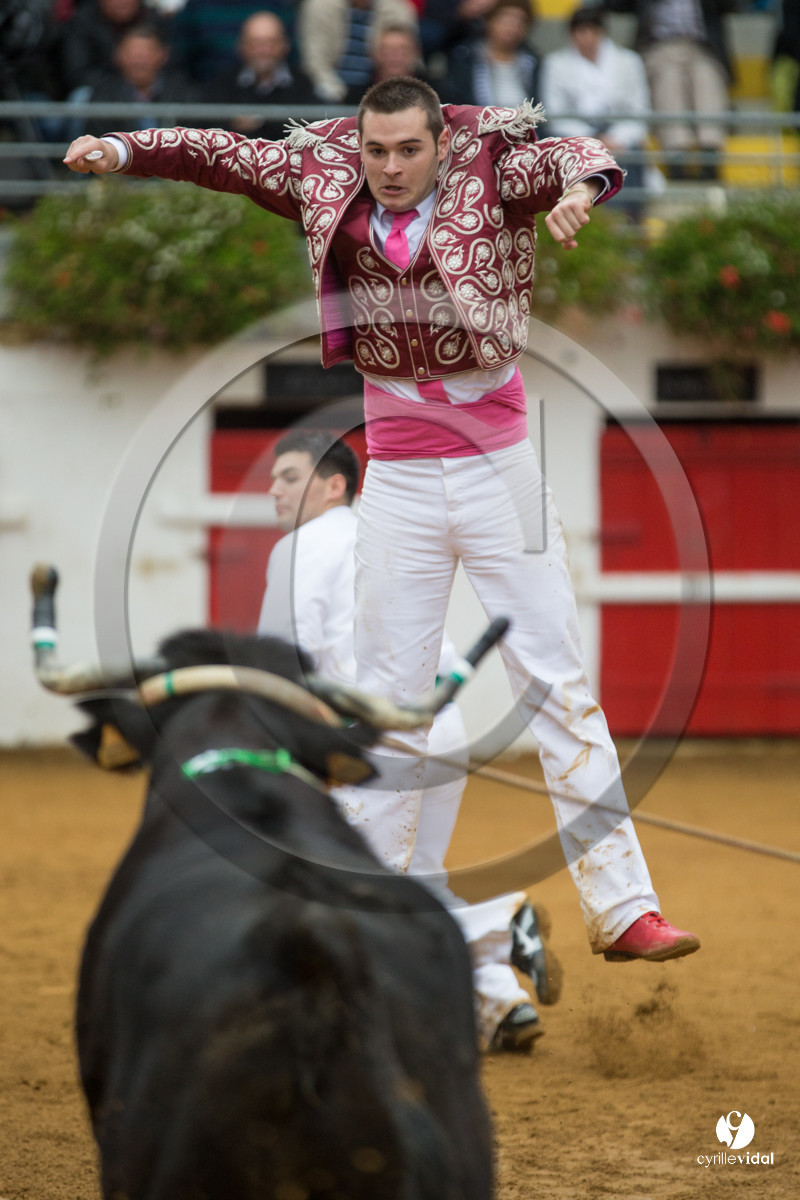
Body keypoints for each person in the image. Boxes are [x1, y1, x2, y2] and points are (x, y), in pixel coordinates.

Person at [63, 74, 701, 970]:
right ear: (357, 143)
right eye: (376, 150)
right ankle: (359, 910)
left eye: (408, 150)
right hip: (398, 479)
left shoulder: (491, 166)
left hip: (502, 473)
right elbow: (222, 155)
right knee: (390, 705)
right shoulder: (325, 170)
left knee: (557, 685)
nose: (391, 168)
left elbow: (576, 154)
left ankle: (625, 908)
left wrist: (582, 190)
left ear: (442, 143)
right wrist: (123, 148)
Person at [257, 428, 562, 1051]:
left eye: (289, 477)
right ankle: (500, 1004)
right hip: (440, 723)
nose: (274, 490)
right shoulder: (386, 534)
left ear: (334, 485)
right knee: (418, 874)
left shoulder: (300, 547)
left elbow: (283, 656)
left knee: (347, 879)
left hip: (373, 734)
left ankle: (500, 923)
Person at [606, 0, 734, 181]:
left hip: (701, 48)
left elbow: (734, 5)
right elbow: (615, 5)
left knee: (707, 76)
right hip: (658, 47)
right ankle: (676, 155)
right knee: (668, 78)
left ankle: (710, 152)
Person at [539, 7, 649, 217]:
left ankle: (629, 222)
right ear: (571, 34)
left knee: (627, 159)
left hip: (620, 135)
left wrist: (618, 138)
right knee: (585, 162)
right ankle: (595, 222)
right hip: (576, 135)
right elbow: (555, 114)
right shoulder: (555, 64)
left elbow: (639, 111)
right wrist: (592, 138)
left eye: (593, 31)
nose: (587, 37)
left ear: (602, 33)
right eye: (581, 31)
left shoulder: (629, 61)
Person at [204, 11, 314, 140]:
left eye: (271, 43)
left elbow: (309, 130)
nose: (263, 50)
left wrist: (262, 122)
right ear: (241, 46)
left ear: (285, 45)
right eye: (255, 43)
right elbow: (206, 126)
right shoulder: (223, 83)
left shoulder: (302, 83)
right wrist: (232, 124)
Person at [83, 24, 199, 137]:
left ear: (164, 54)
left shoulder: (184, 95)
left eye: (146, 54)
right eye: (133, 53)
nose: (139, 61)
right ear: (117, 55)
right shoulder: (103, 96)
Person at [297, 0, 419, 102]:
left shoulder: (398, 9)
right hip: (329, 92)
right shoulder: (320, 6)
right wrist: (333, 92)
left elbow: (407, 55)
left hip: (377, 87)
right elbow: (314, 60)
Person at [442, 0, 539, 110]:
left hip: (525, 118)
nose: (512, 26)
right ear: (489, 21)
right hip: (478, 119)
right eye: (505, 20)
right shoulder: (465, 56)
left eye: (520, 21)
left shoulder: (532, 60)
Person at [344, 23, 431, 105]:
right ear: (375, 53)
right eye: (387, 50)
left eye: (402, 49)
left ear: (415, 53)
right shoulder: (357, 96)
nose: (395, 56)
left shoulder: (432, 92)